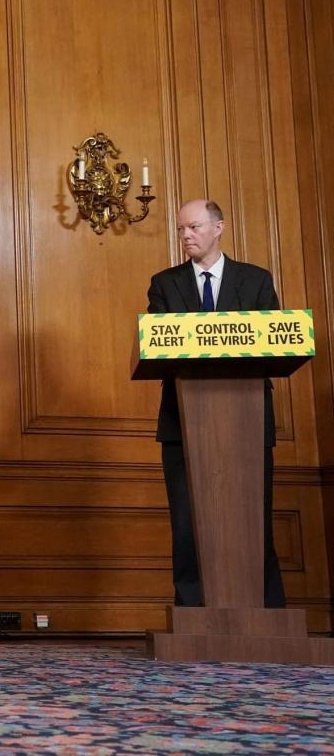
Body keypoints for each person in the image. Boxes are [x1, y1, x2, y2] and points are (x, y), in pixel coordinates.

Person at [146, 198, 284, 608]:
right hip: (184, 423)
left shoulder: (256, 280)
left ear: (219, 227)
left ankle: (265, 609)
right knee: (188, 523)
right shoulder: (165, 284)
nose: (186, 236)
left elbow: (274, 340)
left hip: (246, 420)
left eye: (194, 227)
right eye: (181, 230)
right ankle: (192, 610)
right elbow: (157, 343)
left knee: (253, 520)